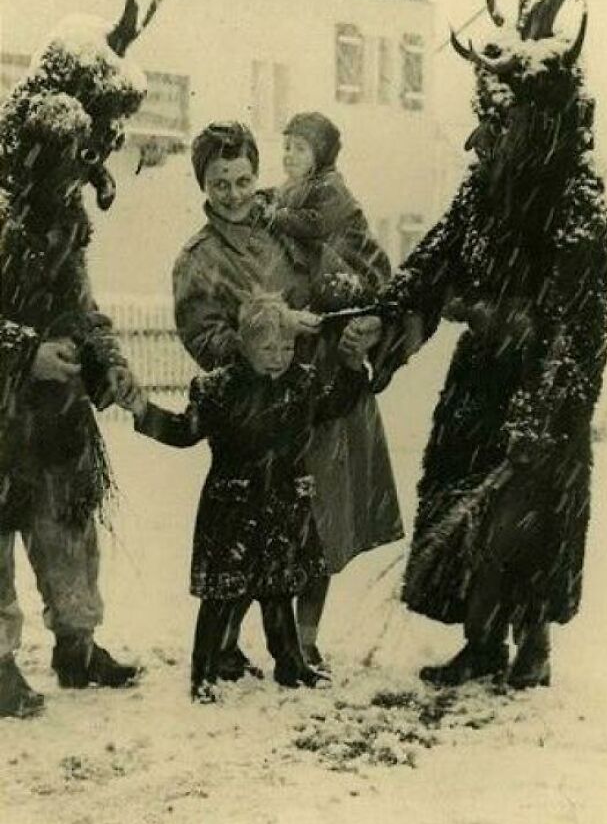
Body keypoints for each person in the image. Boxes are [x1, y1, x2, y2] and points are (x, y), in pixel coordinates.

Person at [339, 0, 607, 691]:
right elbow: (435, 259)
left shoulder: (578, 201)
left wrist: (544, 400)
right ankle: (481, 638)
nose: (484, 136)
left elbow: (575, 322)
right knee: (467, 502)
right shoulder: (483, 192)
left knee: (530, 520)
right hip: (481, 380)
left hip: (542, 387)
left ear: (538, 120)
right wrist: (390, 311)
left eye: (501, 120)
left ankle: (534, 641)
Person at [172, 121, 402, 673]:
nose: (234, 193)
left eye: (243, 178)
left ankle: (304, 639)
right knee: (245, 530)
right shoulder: (198, 259)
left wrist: (358, 320)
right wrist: (269, 336)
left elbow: (348, 276)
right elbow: (204, 338)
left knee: (311, 527)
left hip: (314, 397)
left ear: (257, 174)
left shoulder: (287, 225)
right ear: (202, 184)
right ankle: (224, 645)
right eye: (219, 182)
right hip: (254, 415)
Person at [120, 294, 369, 700]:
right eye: (268, 348)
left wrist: (353, 368)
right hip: (232, 507)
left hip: (283, 503)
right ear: (245, 344)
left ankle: (290, 665)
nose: (279, 357)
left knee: (277, 590)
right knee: (221, 595)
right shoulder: (219, 389)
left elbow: (335, 404)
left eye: (287, 347)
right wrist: (142, 410)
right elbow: (185, 431)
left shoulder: (301, 384)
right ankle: (203, 673)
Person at [261, 110, 391, 312]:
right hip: (333, 269)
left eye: (300, 149)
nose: (289, 155)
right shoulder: (297, 184)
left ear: (320, 155)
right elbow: (278, 197)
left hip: (359, 270)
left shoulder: (331, 186)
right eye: (287, 148)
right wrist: (262, 198)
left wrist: (278, 217)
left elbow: (317, 223)